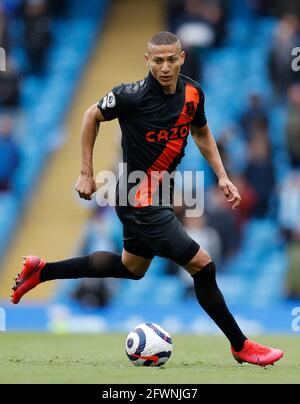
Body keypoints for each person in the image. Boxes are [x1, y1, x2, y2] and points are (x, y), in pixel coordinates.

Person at [11, 31, 283, 367]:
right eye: (158, 60)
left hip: (159, 193)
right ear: (147, 61)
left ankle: (42, 271)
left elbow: (200, 130)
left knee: (132, 267)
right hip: (136, 196)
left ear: (182, 57)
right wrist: (85, 172)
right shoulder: (130, 96)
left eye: (171, 59)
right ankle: (241, 345)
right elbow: (90, 116)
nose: (165, 67)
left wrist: (223, 175)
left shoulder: (193, 94)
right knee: (203, 265)